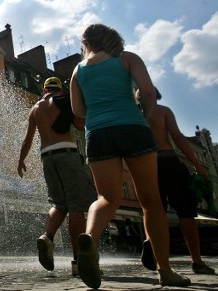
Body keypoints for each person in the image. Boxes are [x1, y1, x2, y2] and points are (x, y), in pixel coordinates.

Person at [70, 23, 190, 289]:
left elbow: (78, 111)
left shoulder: (78, 71)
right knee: (151, 201)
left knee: (106, 198)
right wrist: (143, 116)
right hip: (132, 126)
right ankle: (165, 270)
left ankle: (90, 237)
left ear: (86, 43)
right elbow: (147, 92)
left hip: (98, 133)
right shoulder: (127, 58)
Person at [17, 77, 97, 276]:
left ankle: (48, 236)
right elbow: (80, 125)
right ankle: (79, 263)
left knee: (58, 204)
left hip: (47, 158)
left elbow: (27, 140)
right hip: (67, 155)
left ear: (44, 90)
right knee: (76, 207)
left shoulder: (35, 109)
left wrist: (21, 161)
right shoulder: (64, 101)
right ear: (59, 89)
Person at [136, 87, 215, 275]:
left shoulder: (134, 115)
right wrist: (197, 164)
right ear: (155, 95)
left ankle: (150, 242)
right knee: (186, 213)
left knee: (153, 209)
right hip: (169, 161)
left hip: (147, 164)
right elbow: (178, 138)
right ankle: (196, 260)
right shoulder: (162, 111)